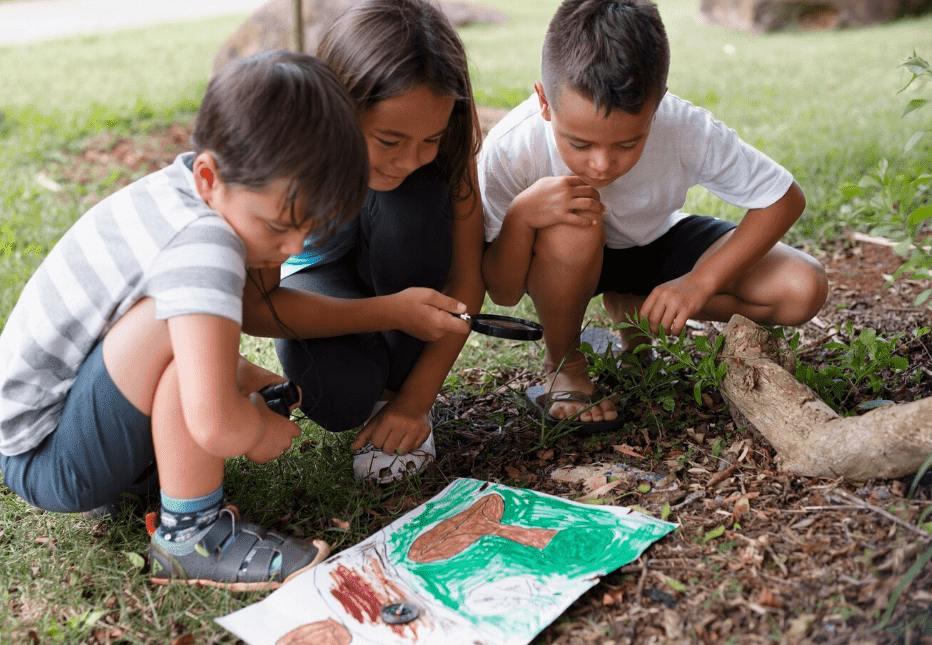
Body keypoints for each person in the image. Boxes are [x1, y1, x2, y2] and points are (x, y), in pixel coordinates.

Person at [0, 51, 370, 589]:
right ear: (209, 176)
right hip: (50, 458)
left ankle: (150, 471)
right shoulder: (205, 243)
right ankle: (190, 537)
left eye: (311, 229)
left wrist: (242, 380)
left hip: (55, 428)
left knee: (185, 330)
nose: (293, 247)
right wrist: (256, 429)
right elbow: (214, 422)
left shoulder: (181, 193)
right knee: (178, 336)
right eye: (278, 226)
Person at [479, 0, 828, 433]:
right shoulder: (511, 147)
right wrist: (521, 216)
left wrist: (700, 282)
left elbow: (784, 198)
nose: (602, 165)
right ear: (545, 101)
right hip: (563, 260)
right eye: (580, 144)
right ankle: (564, 363)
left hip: (655, 241)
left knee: (801, 288)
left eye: (627, 144)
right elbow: (503, 292)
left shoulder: (684, 127)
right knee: (574, 220)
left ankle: (636, 308)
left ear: (658, 102)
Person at [243, 0, 485, 484]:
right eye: (389, 141)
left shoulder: (447, 147)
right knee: (339, 397)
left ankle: (394, 400)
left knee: (410, 210)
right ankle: (371, 391)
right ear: (339, 106)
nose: (409, 160)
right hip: (319, 279)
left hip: (401, 257)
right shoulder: (288, 155)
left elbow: (467, 281)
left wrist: (415, 401)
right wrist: (390, 312)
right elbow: (256, 308)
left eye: (430, 140)